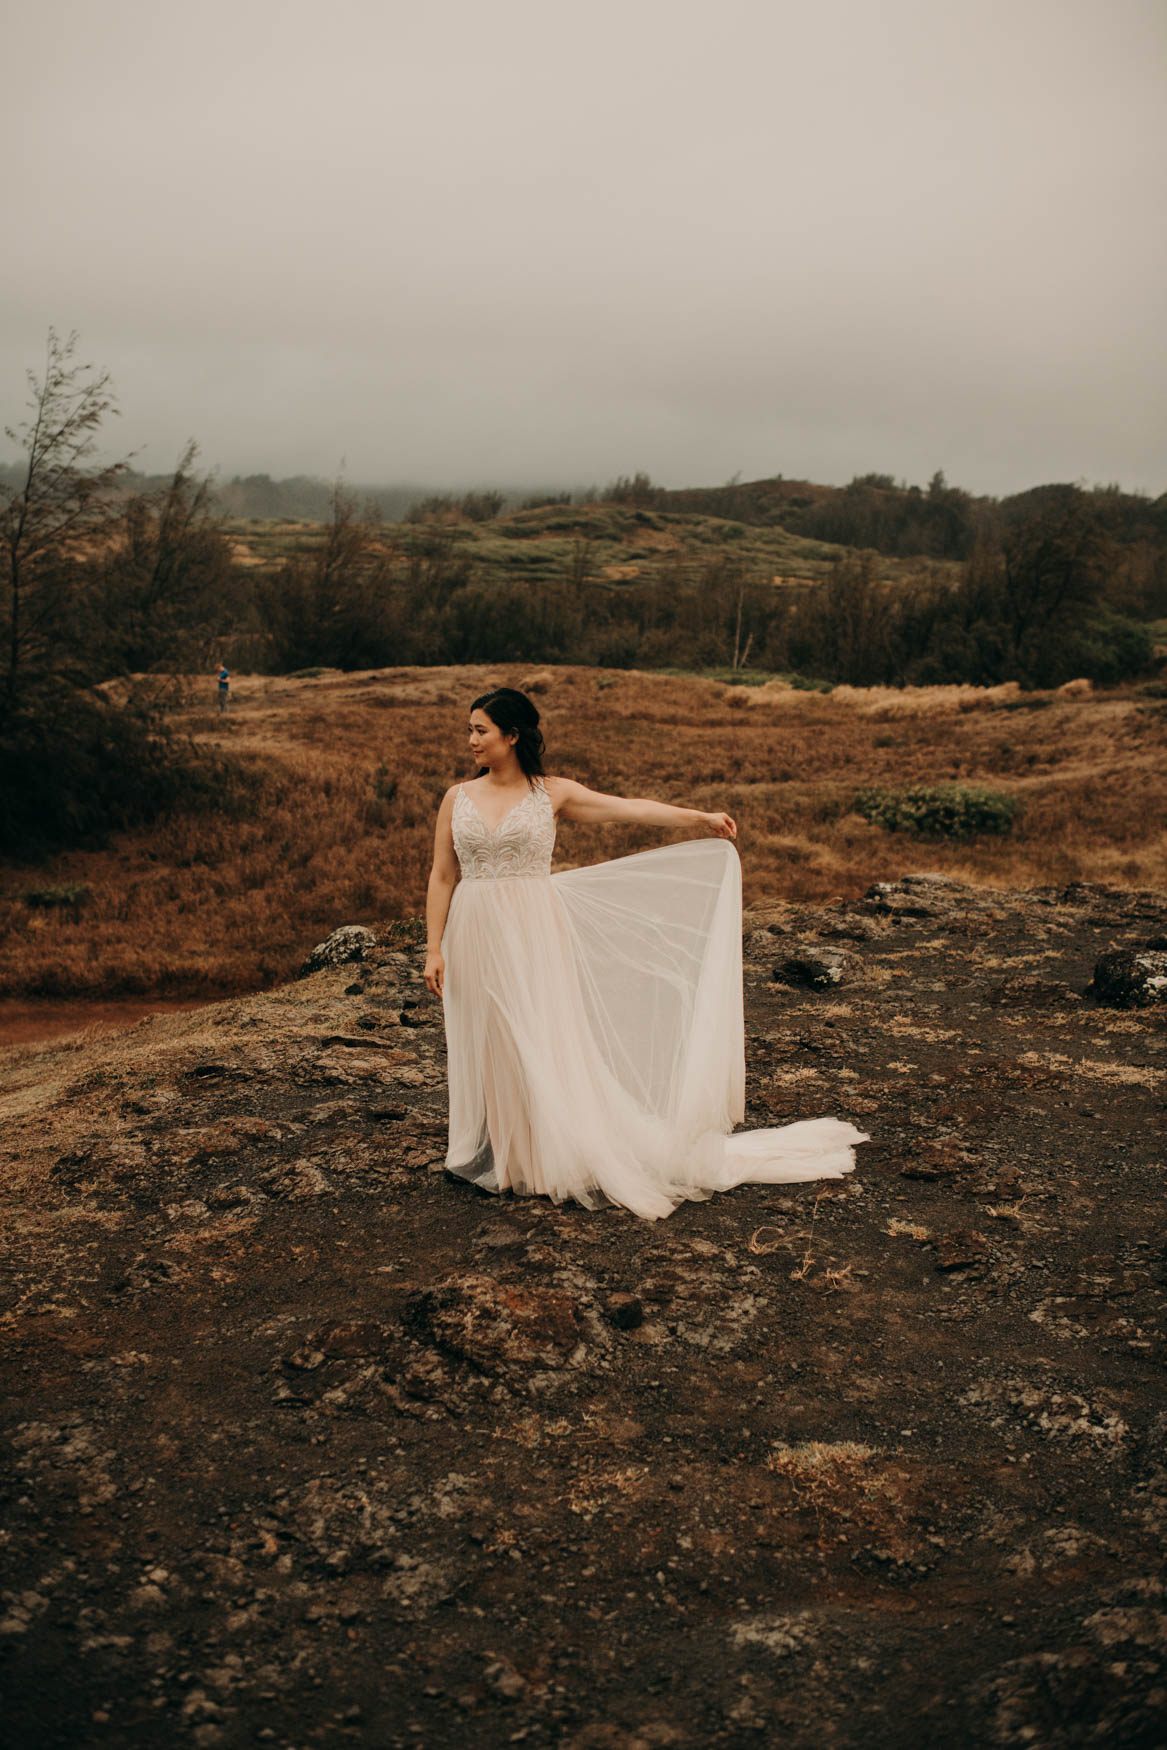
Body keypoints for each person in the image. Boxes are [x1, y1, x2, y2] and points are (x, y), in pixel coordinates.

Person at [423, 686, 866, 1220]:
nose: (471, 739)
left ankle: (546, 1158)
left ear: (512, 736)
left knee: (539, 1033)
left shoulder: (552, 793)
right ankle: (507, 1154)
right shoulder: (457, 798)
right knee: (491, 1035)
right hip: (473, 928)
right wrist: (434, 947)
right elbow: (443, 874)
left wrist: (698, 817)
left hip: (532, 927)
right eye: (470, 729)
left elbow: (628, 810)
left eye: (480, 730)